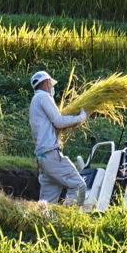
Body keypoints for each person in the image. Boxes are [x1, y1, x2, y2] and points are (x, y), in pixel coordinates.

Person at [29, 70, 88, 205]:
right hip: (51, 154)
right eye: (51, 83)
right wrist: (80, 118)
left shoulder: (35, 100)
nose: (52, 86)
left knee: (47, 201)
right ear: (46, 82)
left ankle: (42, 222)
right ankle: (68, 218)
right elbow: (59, 121)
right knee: (79, 186)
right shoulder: (43, 97)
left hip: (43, 156)